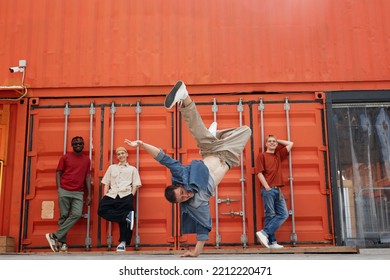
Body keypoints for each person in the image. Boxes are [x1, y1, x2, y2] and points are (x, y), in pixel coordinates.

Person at [125, 80, 251, 257]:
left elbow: (163, 158)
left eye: (182, 192)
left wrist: (142, 144)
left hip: (210, 152)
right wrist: (195, 253)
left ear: (179, 185)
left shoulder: (182, 175)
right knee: (246, 130)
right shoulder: (195, 205)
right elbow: (203, 227)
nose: (186, 195)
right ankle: (215, 135)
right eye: (182, 199)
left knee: (196, 127)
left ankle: (184, 96)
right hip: (228, 157)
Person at [45, 136, 92, 252]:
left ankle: (54, 236)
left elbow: (87, 177)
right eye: (75, 144)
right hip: (65, 190)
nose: (78, 145)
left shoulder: (87, 160)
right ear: (72, 145)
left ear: (83, 145)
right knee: (64, 216)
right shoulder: (65, 157)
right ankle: (63, 244)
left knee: (76, 214)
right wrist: (59, 189)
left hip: (78, 192)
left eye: (80, 143)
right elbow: (58, 172)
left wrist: (89, 194)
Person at [97, 146, 142, 252]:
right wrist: (105, 196)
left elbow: (135, 184)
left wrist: (131, 196)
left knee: (125, 224)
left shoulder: (132, 169)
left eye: (122, 153)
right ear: (117, 157)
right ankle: (125, 216)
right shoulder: (112, 168)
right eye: (118, 154)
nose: (121, 155)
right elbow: (106, 183)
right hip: (112, 194)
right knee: (101, 210)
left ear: (127, 155)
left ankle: (122, 243)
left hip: (126, 195)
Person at [255, 134, 293, 249]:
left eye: (274, 142)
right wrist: (267, 187)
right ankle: (272, 242)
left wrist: (278, 140)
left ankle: (265, 234)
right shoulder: (262, 156)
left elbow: (291, 143)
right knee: (270, 215)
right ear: (266, 144)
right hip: (269, 190)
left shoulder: (278, 155)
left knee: (283, 214)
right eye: (269, 141)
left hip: (279, 190)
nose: (272, 143)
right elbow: (259, 173)